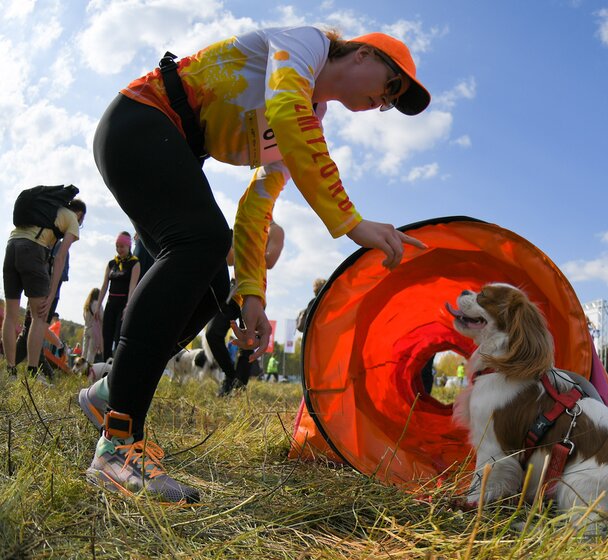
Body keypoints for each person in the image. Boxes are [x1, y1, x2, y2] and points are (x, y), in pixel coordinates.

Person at [78, 26, 430, 503]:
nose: (383, 103)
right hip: (140, 120)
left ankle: (110, 391)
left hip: (171, 145)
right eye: (390, 86)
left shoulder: (307, 122)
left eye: (392, 102)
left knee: (207, 283)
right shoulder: (307, 47)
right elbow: (286, 110)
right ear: (363, 53)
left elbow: (255, 211)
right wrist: (352, 222)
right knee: (200, 241)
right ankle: (117, 446)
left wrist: (252, 296)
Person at [3, 196, 85, 379]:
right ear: (79, 215)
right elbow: (60, 258)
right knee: (40, 316)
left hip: (12, 245)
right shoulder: (72, 219)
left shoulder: (48, 210)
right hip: (33, 250)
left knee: (10, 315)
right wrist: (51, 292)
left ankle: (10, 371)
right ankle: (32, 371)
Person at [207, 221, 284, 397]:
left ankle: (239, 387)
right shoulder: (244, 226)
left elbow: (270, 261)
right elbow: (230, 260)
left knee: (248, 343)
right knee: (212, 333)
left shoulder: (275, 230)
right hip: (234, 289)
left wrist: (247, 248)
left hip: (254, 289)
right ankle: (230, 375)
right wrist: (226, 242)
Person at [96, 232, 140, 360]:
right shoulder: (112, 264)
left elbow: (133, 287)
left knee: (118, 337)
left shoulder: (135, 263)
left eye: (122, 247)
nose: (119, 249)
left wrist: (128, 306)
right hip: (111, 303)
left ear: (128, 246)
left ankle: (116, 367)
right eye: (117, 246)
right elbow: (104, 286)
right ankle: (105, 366)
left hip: (123, 304)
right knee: (106, 336)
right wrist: (98, 305)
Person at [82, 288, 103, 365]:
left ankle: (81, 370)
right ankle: (88, 371)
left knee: (84, 352)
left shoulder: (86, 305)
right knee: (91, 353)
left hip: (86, 328)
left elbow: (84, 317)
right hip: (94, 330)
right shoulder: (97, 304)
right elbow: (102, 317)